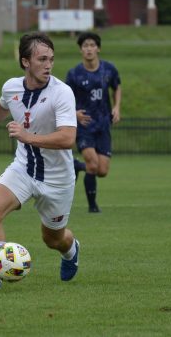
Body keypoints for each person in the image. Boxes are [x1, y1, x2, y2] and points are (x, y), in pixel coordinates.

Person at [0, 32, 80, 290]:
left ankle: (71, 250)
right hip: (23, 169)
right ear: (25, 62)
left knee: (53, 239)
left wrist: (28, 137)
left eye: (51, 59)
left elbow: (68, 138)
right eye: (42, 59)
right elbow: (1, 105)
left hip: (57, 178)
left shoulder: (62, 92)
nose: (48, 65)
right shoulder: (11, 87)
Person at [65, 31, 121, 213]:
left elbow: (117, 87)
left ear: (98, 48)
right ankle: (93, 207)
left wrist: (117, 107)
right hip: (84, 125)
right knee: (93, 164)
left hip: (104, 124)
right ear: (81, 50)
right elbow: (63, 97)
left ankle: (77, 166)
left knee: (102, 170)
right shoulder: (74, 74)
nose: (89, 49)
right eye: (85, 46)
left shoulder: (109, 69)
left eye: (92, 45)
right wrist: (74, 113)